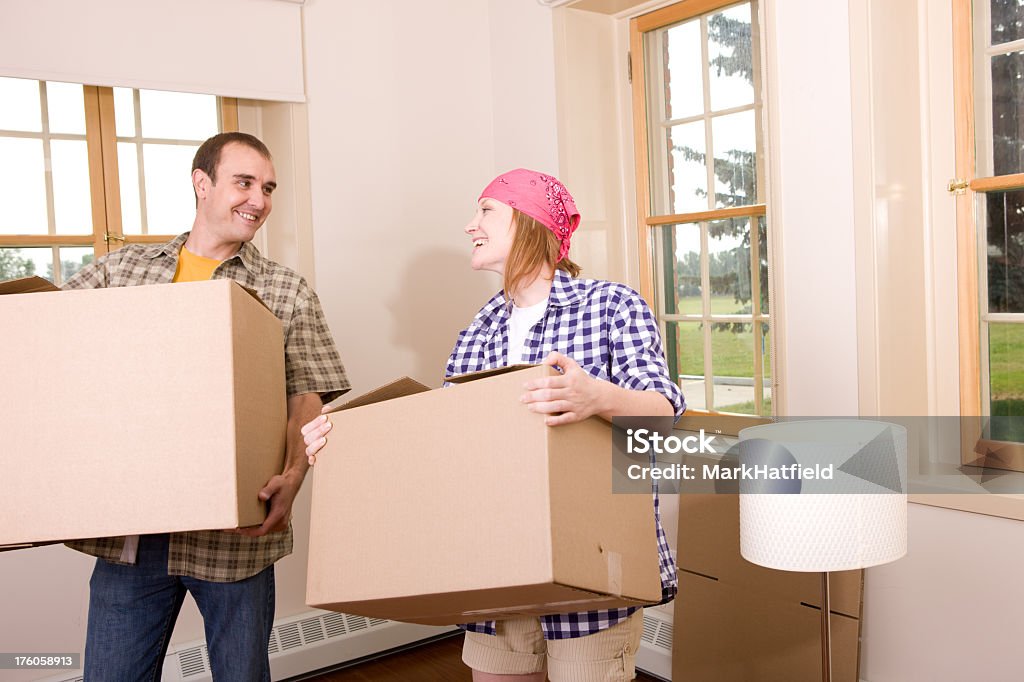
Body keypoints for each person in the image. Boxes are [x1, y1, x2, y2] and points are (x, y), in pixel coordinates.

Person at [303, 168, 683, 681]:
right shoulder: (480, 329)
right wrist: (346, 445)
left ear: (529, 223)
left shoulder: (612, 306)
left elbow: (661, 413)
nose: (469, 225)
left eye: (485, 210)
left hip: (592, 569)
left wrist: (595, 395)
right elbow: (444, 447)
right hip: (496, 562)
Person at [64, 132, 350, 681]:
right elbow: (43, 335)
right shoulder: (122, 272)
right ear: (202, 184)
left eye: (267, 188)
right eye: (244, 182)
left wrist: (293, 477)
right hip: (133, 534)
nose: (259, 200)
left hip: (234, 537)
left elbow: (307, 396)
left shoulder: (285, 290)